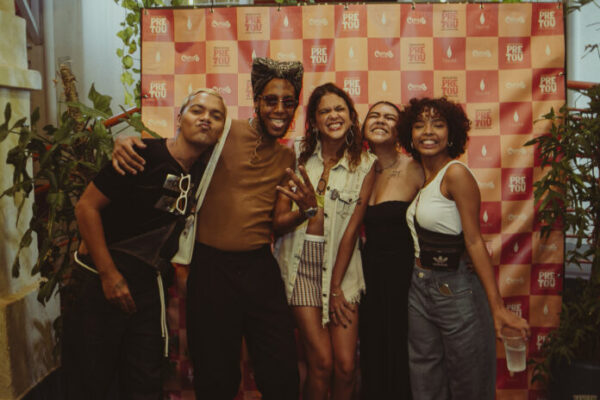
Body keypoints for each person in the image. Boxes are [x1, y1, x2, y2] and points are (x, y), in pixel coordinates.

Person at [111, 57, 303, 400]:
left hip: (260, 268)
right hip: (211, 268)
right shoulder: (224, 131)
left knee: (281, 371)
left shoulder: (287, 158)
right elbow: (176, 150)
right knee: (215, 375)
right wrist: (124, 141)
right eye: (271, 100)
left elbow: (277, 221)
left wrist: (308, 211)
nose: (279, 109)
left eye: (288, 102)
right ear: (257, 101)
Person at [63, 89, 228, 400]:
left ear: (221, 131)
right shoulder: (141, 154)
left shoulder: (203, 173)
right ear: (180, 118)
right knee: (89, 381)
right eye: (197, 110)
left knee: (144, 382)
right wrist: (109, 275)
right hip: (99, 279)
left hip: (148, 289)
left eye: (216, 116)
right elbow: (86, 208)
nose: (206, 118)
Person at [398, 97, 531, 400]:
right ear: (410, 134)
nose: (427, 131)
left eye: (437, 125)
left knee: (469, 383)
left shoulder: (455, 173)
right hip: (419, 287)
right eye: (419, 125)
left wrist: (497, 308)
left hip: (454, 288)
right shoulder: (423, 177)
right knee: (425, 381)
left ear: (451, 134)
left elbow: (473, 240)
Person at [273, 82, 376, 400]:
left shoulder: (366, 164)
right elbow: (277, 223)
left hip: (343, 273)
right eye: (325, 111)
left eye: (339, 109)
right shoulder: (295, 155)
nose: (333, 115)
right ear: (314, 122)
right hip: (301, 268)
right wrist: (305, 212)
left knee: (345, 367)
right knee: (321, 364)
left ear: (351, 117)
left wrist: (335, 288)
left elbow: (352, 230)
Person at [358, 101, 424, 400]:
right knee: (373, 347)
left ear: (400, 130)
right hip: (368, 274)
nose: (380, 120)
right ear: (363, 126)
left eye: (389, 117)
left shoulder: (416, 168)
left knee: (402, 348)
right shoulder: (358, 169)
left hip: (405, 275)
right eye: (374, 115)